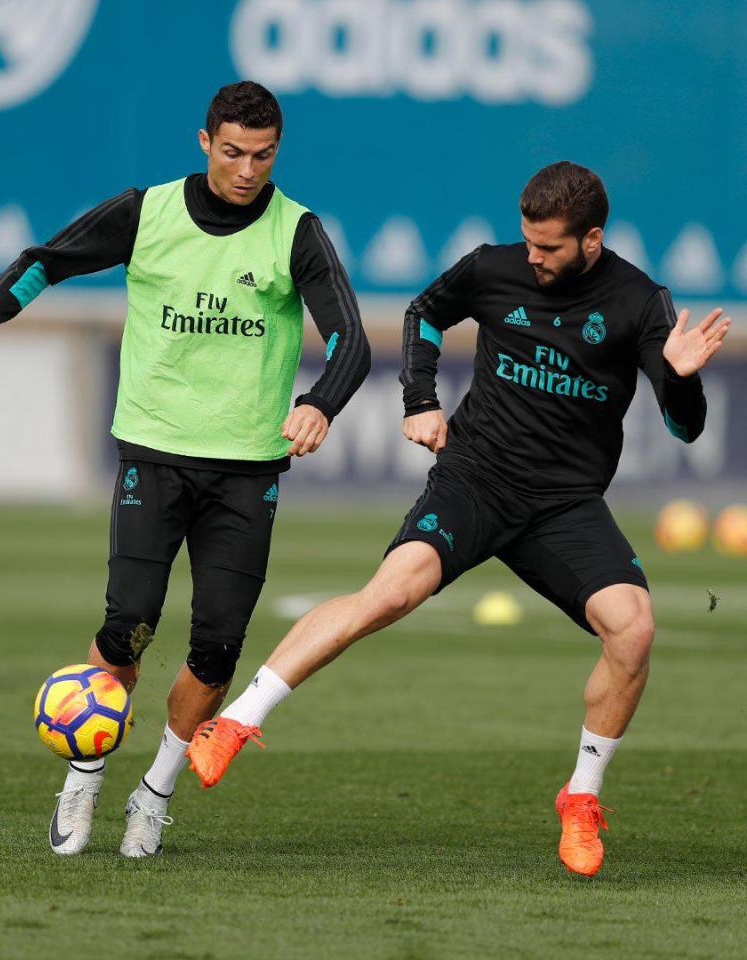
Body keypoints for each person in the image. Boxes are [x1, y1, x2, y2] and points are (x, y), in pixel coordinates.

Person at [186, 161, 731, 878]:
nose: (532, 258)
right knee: (389, 593)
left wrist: (684, 381)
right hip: (475, 480)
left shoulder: (639, 302)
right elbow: (423, 313)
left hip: (564, 505)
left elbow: (684, 428)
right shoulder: (493, 269)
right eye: (527, 242)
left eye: (550, 248)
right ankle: (236, 720)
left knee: (634, 629)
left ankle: (581, 797)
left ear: (592, 240)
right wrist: (420, 399)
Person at [0, 81, 370, 858]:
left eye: (263, 155)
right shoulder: (148, 212)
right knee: (126, 625)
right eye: (232, 152)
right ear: (203, 142)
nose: (246, 169)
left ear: (279, 151)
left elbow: (350, 340)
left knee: (217, 646)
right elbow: (47, 262)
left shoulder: (296, 230)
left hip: (248, 471)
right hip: (154, 454)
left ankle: (155, 792)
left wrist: (321, 402)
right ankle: (85, 776)